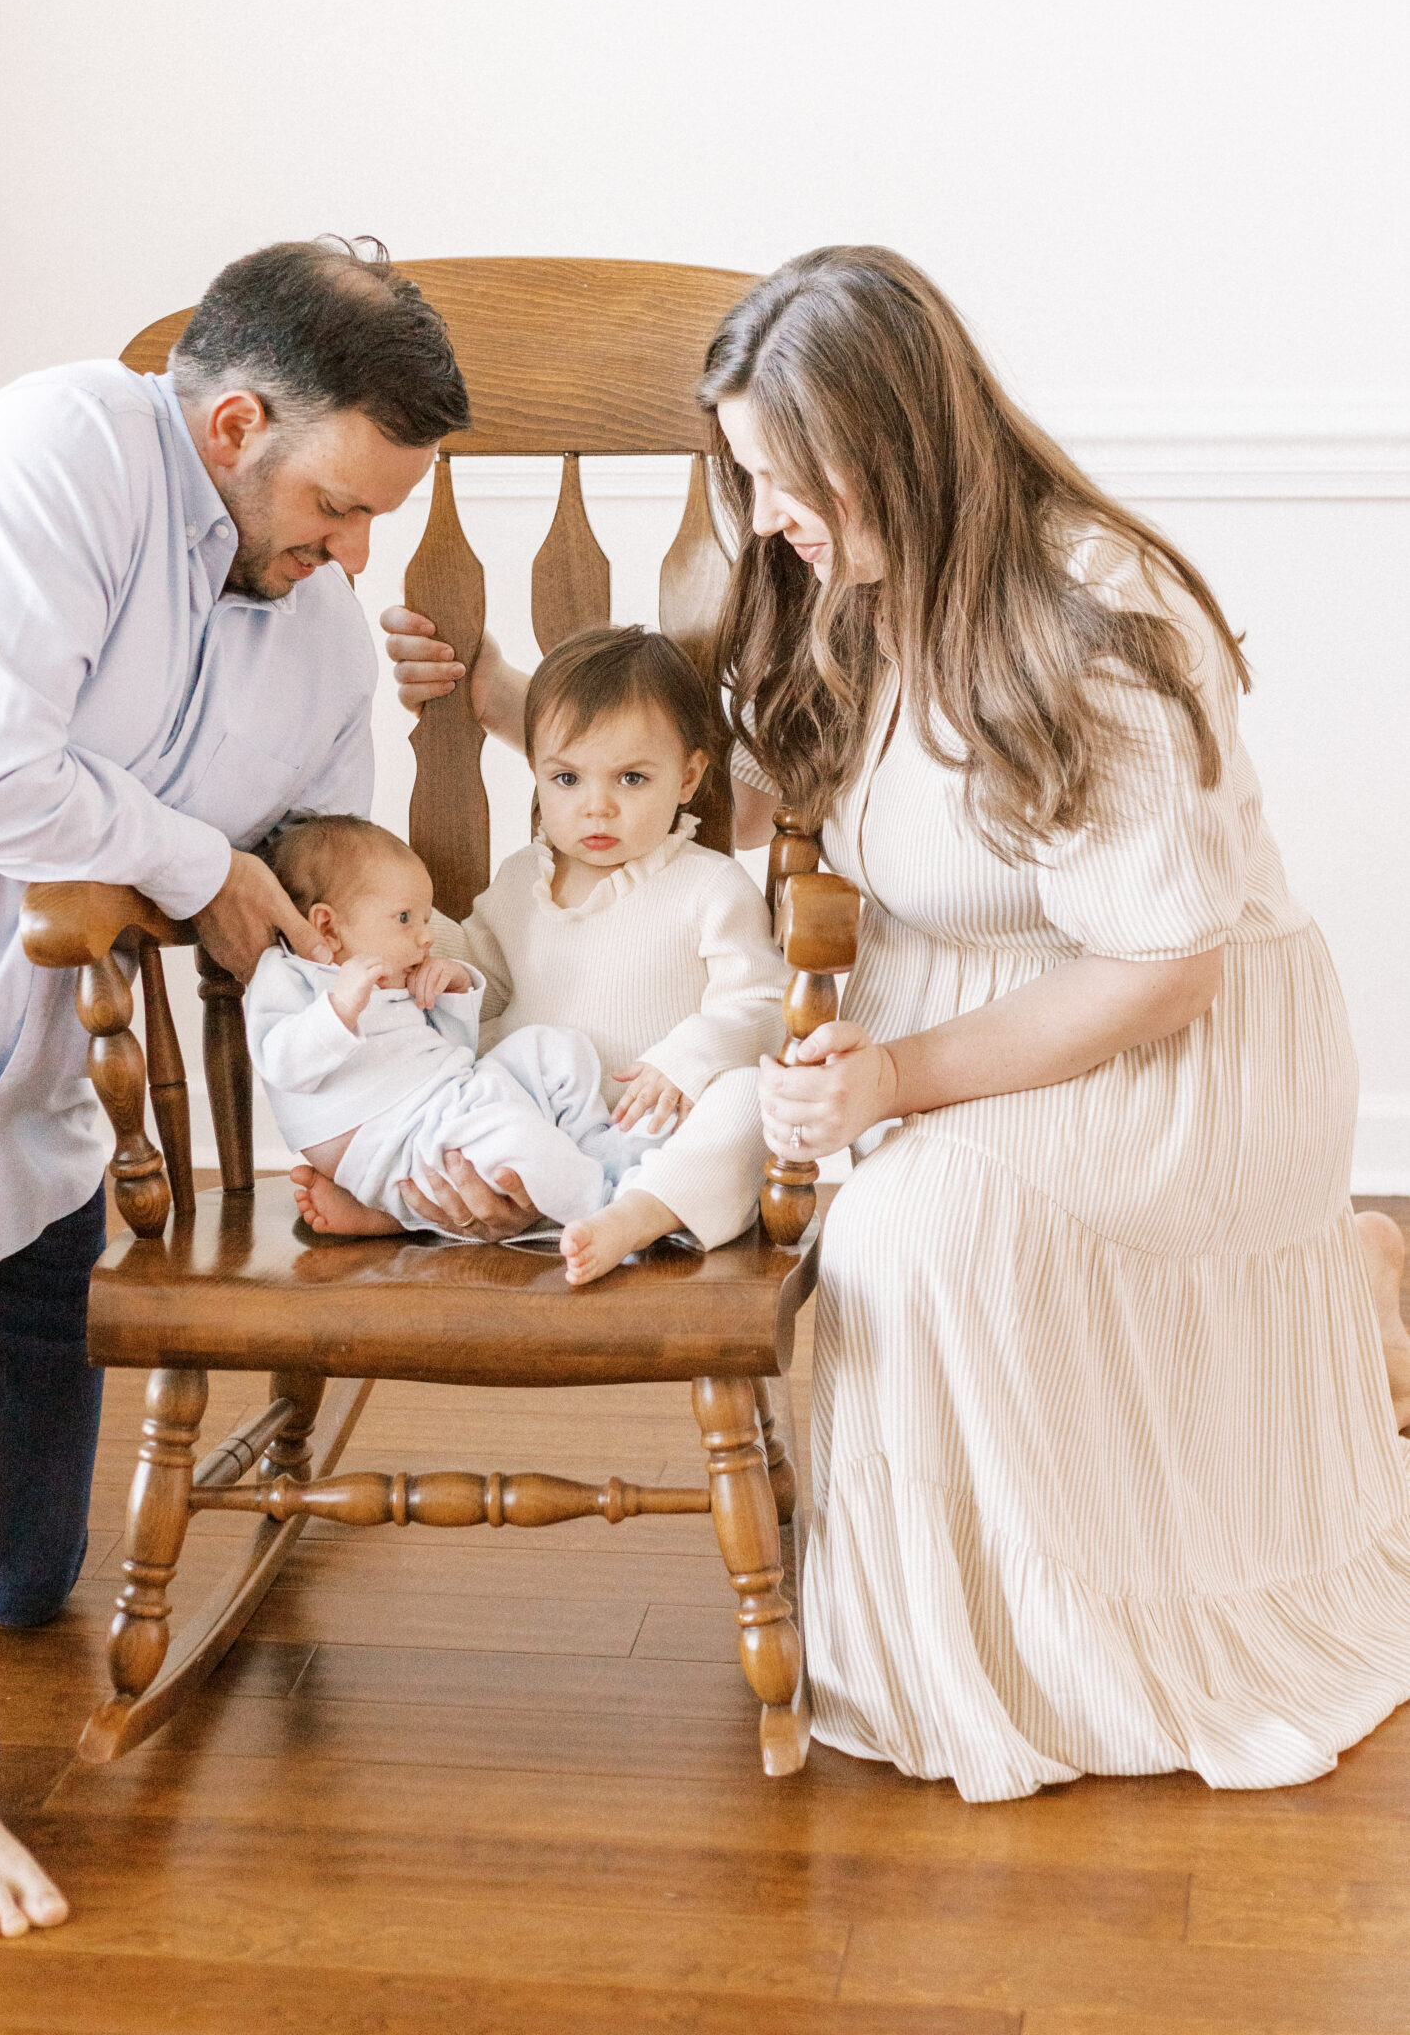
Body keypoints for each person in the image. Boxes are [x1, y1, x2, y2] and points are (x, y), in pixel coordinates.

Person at [384, 244, 1410, 1799]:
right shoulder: (836, 584)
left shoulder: (1095, 623)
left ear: (904, 449)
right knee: (863, 1213)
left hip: (1165, 1034)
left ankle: (1144, 1554)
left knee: (903, 1238)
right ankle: (986, 1603)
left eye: (798, 481)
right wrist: (493, 693)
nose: (774, 518)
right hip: (956, 998)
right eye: (748, 480)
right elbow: (693, 784)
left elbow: (1165, 969)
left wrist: (902, 1081)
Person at [0, 235, 469, 1938]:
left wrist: (400, 1121)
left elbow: (301, 915)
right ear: (235, 421)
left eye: (380, 520)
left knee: (22, 1576)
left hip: (24, 1116)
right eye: (337, 505)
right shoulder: (61, 450)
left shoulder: (322, 642)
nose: (353, 552)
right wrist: (192, 859)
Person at [442, 624, 787, 1284]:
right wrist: (429, 949)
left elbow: (764, 1004)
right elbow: (483, 980)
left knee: (752, 1097)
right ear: (538, 773)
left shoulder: (708, 886)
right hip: (533, 1134)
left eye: (631, 778)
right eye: (567, 778)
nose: (595, 807)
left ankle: (639, 1213)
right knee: (439, 1080)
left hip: (657, 1139)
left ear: (687, 777)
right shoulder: (521, 880)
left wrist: (689, 1062)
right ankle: (388, 1197)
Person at [249, 813, 656, 1238]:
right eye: (405, 918)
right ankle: (610, 1205)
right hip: (402, 1139)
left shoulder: (393, 970)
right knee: (514, 1136)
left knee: (553, 1047)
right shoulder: (291, 976)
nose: (425, 937)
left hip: (454, 1094)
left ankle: (591, 1143)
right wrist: (337, 1010)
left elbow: (450, 1050)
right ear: (327, 927)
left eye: (425, 919)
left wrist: (454, 991)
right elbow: (280, 1065)